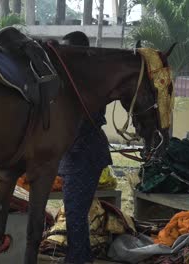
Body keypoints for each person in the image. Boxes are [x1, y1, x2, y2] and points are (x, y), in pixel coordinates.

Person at [57, 31, 112, 264]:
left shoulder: (87, 81)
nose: (63, 56)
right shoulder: (76, 78)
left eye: (67, 50)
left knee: (76, 212)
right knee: (74, 211)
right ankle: (80, 257)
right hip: (76, 154)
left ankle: (78, 260)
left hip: (85, 154)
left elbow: (87, 120)